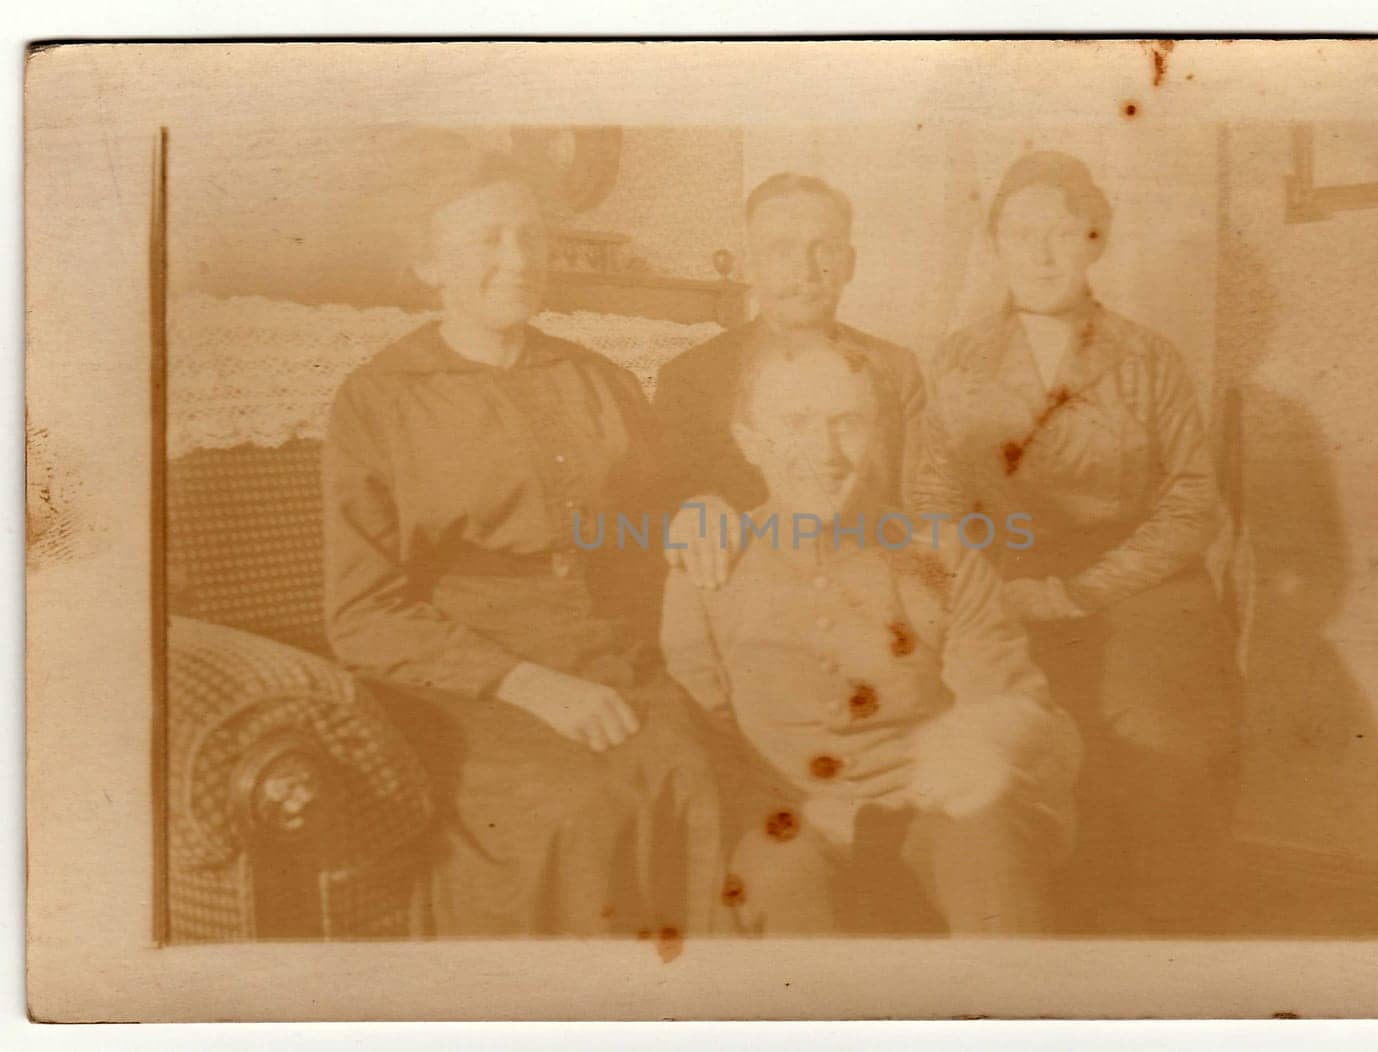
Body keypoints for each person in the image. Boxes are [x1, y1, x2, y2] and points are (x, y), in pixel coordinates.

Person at [321, 137, 721, 937]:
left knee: (691, 775)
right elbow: (361, 615)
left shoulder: (595, 377)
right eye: (488, 239)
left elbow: (663, 494)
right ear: (429, 265)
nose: (518, 259)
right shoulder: (378, 400)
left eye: (531, 236)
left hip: (609, 650)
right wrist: (525, 683)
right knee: (577, 806)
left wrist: (701, 502)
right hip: (465, 679)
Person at [918, 151, 1241, 931]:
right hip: (998, 581)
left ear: (1097, 241)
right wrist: (979, 590)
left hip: (1139, 584)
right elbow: (935, 499)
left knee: (1161, 740)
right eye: (1020, 233)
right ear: (994, 242)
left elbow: (1192, 503)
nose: (1040, 252)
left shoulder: (1147, 357)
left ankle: (1160, 958)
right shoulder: (956, 361)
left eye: (1062, 233)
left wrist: (1078, 591)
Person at [659, 341, 1081, 935]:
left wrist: (984, 739)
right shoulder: (709, 566)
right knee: (775, 883)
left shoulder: (938, 556)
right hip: (786, 815)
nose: (824, 452)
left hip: (933, 807)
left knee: (989, 844)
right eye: (795, 424)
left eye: (847, 424)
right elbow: (698, 733)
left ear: (881, 435)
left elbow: (1007, 697)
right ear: (749, 442)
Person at [653, 172, 958, 589]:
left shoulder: (895, 369)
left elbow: (925, 509)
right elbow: (663, 506)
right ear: (752, 263)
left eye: (824, 249)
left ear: (850, 263)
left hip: (868, 591)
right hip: (743, 598)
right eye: (782, 250)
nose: (806, 270)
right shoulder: (691, 377)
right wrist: (698, 501)